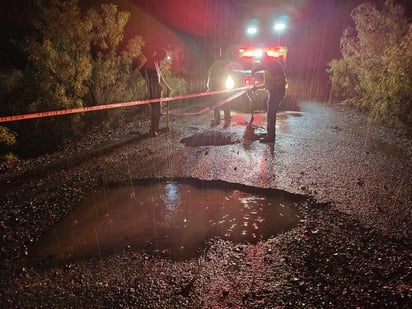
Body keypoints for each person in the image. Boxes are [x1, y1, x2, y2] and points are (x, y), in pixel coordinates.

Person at [251, 53, 287, 143]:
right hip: (275, 91)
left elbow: (261, 68)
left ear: (265, 59)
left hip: (277, 91)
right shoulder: (268, 67)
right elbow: (266, 84)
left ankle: (271, 137)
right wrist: (256, 88)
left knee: (271, 113)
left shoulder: (272, 64)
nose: (261, 63)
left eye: (262, 61)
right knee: (270, 112)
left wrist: (254, 70)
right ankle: (270, 134)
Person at [141, 49, 172, 136]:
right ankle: (153, 130)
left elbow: (160, 76)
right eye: (162, 56)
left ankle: (155, 129)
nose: (163, 59)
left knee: (158, 111)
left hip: (158, 90)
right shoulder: (151, 61)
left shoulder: (157, 63)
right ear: (158, 54)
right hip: (153, 91)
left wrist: (167, 86)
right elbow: (142, 70)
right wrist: (149, 81)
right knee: (155, 110)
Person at [207, 51, 241, 128]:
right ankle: (227, 121)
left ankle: (217, 120)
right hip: (224, 85)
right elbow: (232, 74)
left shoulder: (213, 65)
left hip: (215, 86)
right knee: (225, 102)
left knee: (216, 103)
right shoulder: (227, 63)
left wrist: (209, 88)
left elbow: (210, 78)